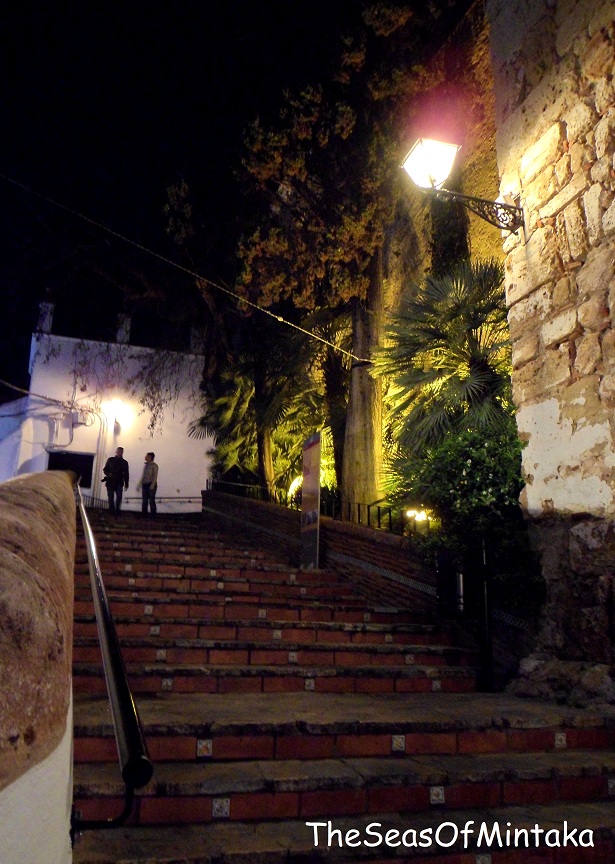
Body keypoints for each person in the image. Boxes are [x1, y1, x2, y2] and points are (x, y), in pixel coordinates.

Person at [103, 446, 129, 513]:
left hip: (119, 481)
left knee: (119, 497)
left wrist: (126, 484)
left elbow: (126, 474)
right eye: (119, 451)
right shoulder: (110, 460)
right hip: (110, 481)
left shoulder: (124, 462)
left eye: (121, 452)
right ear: (116, 452)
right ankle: (111, 509)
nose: (120, 453)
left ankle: (117, 510)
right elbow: (105, 469)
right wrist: (109, 474)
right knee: (110, 497)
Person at [136, 452, 159, 516]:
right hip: (145, 485)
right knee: (144, 500)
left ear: (150, 457)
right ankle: (144, 514)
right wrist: (139, 485)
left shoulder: (154, 466)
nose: (145, 457)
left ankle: (153, 515)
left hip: (151, 485)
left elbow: (155, 477)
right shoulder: (146, 465)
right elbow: (143, 476)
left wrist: (152, 486)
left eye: (146, 456)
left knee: (151, 500)